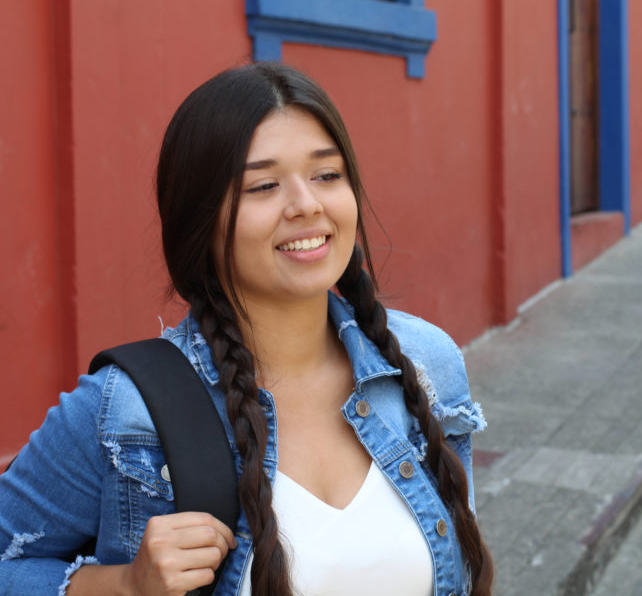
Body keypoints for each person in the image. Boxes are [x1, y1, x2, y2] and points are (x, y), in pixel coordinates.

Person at [0, 62, 494, 596]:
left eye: (327, 175)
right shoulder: (127, 408)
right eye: (263, 185)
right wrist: (124, 585)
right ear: (200, 220)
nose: (307, 205)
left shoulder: (424, 363)